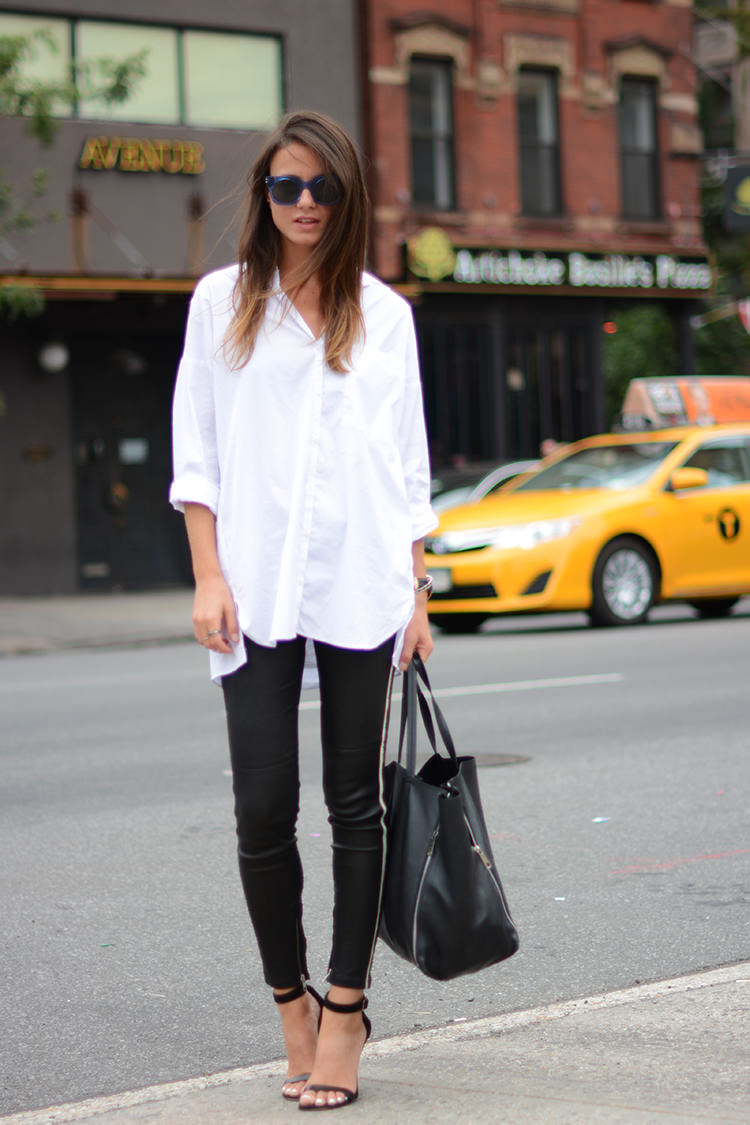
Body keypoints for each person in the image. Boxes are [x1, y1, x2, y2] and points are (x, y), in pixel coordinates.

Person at [169, 110, 437, 1111]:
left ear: (349, 194)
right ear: (264, 196)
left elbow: (405, 466)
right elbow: (196, 454)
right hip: (252, 588)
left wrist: (418, 589)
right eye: (288, 187)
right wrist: (206, 573)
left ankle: (348, 1009)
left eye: (323, 187)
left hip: (363, 581)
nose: (307, 203)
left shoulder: (387, 317)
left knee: (355, 806)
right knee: (259, 808)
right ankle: (290, 1004)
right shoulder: (219, 305)